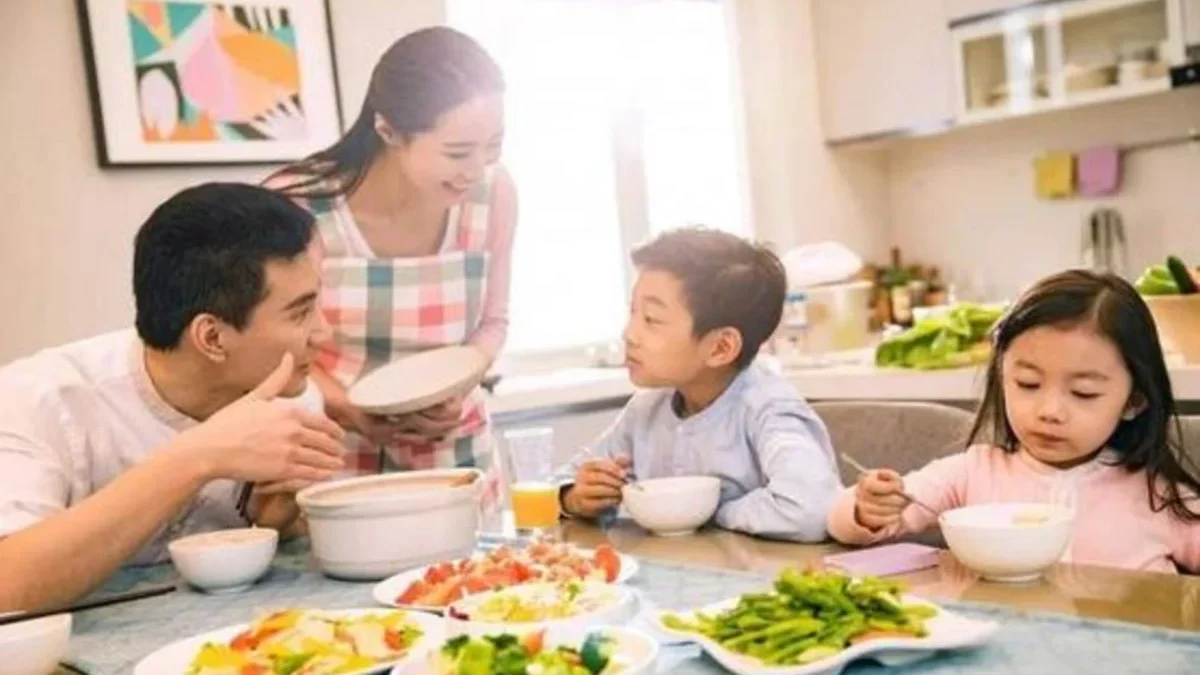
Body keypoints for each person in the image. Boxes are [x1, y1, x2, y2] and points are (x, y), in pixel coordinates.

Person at [0, 183, 346, 612]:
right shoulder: (38, 400)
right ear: (212, 337)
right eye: (300, 312)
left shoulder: (293, 400)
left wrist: (277, 526)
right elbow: (6, 585)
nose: (324, 333)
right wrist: (198, 457)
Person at [828, 270, 1200, 573]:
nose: (1049, 410)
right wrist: (868, 507)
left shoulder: (1160, 497)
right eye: (1028, 384)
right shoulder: (970, 474)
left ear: (1133, 402)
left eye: (1084, 393)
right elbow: (844, 523)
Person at [268, 26, 516, 475]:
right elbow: (268, 348)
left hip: (453, 455)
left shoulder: (494, 194)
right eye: (458, 153)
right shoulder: (298, 204)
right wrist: (345, 406)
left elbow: (493, 323)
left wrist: (464, 380)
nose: (477, 170)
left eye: (493, 148)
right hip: (328, 448)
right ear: (388, 129)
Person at [557, 228, 841, 542]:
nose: (629, 334)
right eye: (633, 312)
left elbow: (811, 509)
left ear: (721, 347)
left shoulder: (768, 410)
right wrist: (574, 497)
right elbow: (558, 482)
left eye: (651, 319)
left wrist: (710, 511)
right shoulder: (647, 408)